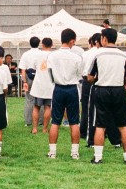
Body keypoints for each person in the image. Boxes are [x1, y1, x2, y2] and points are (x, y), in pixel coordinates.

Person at [86, 28, 126, 164]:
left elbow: (89, 77)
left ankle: (98, 157)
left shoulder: (97, 54)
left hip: (102, 90)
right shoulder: (123, 55)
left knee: (100, 125)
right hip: (119, 90)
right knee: (124, 124)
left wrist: (97, 79)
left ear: (104, 39)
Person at [46, 28, 83, 160]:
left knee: (55, 121)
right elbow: (80, 75)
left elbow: (49, 73)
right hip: (72, 89)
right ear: (72, 40)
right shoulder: (76, 57)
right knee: (74, 121)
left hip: (58, 88)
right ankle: (74, 152)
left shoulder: (52, 55)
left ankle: (52, 152)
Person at [28, 38, 54, 134]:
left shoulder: (37, 55)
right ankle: (45, 129)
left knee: (36, 107)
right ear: (51, 45)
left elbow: (33, 68)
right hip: (50, 85)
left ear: (42, 44)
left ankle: (34, 128)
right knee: (48, 107)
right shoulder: (53, 55)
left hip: (39, 84)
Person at [19, 36, 41, 128]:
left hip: (29, 77)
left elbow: (23, 70)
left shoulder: (26, 54)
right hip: (40, 77)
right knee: (41, 100)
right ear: (39, 43)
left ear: (30, 43)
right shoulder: (41, 54)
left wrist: (24, 81)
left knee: (29, 99)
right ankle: (40, 121)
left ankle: (28, 121)